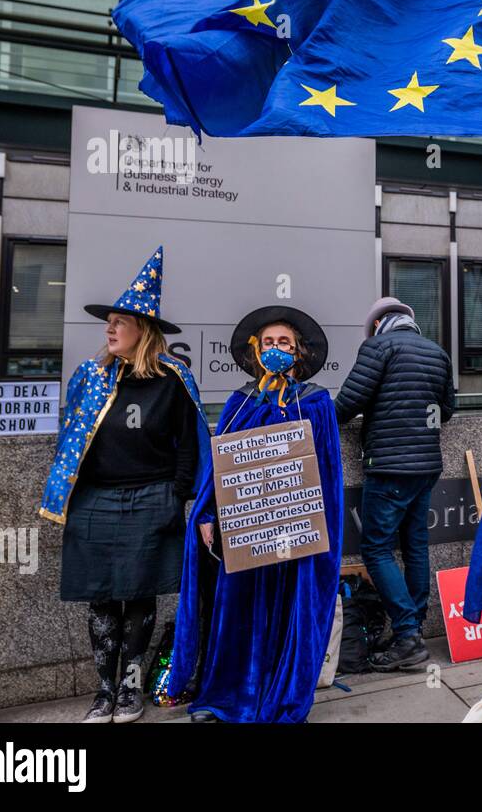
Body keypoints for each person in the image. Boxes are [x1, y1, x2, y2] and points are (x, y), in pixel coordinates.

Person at [41, 246, 210, 724]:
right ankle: (104, 690)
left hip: (152, 498)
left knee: (139, 597)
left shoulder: (174, 380)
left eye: (120, 321)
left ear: (144, 331)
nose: (110, 328)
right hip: (95, 501)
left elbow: (189, 445)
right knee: (101, 598)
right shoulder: (91, 377)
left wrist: (177, 494)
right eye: (108, 321)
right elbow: (70, 439)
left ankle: (131, 691)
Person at [168, 305, 344, 723]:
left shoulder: (315, 402)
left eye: (284, 342)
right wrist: (208, 512)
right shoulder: (239, 402)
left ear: (297, 351)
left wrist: (321, 527)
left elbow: (330, 470)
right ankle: (228, 697)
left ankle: (277, 696)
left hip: (295, 531)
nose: (276, 349)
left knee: (287, 612)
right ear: (256, 350)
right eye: (269, 343)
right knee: (238, 612)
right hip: (245, 532)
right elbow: (218, 466)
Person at [335, 297, 455, 670]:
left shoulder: (378, 347)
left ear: (378, 325)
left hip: (388, 467)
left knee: (376, 549)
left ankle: (406, 636)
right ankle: (414, 628)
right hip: (425, 467)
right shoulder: (437, 352)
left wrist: (313, 419)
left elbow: (348, 402)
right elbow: (447, 409)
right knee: (415, 546)